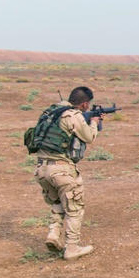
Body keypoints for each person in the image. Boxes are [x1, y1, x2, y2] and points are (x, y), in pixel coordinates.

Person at [32, 86, 102, 261]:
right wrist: (94, 122)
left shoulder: (51, 112)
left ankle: (53, 235)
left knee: (58, 202)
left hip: (41, 169)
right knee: (75, 208)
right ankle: (72, 248)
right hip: (62, 170)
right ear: (85, 103)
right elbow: (89, 138)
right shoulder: (73, 115)